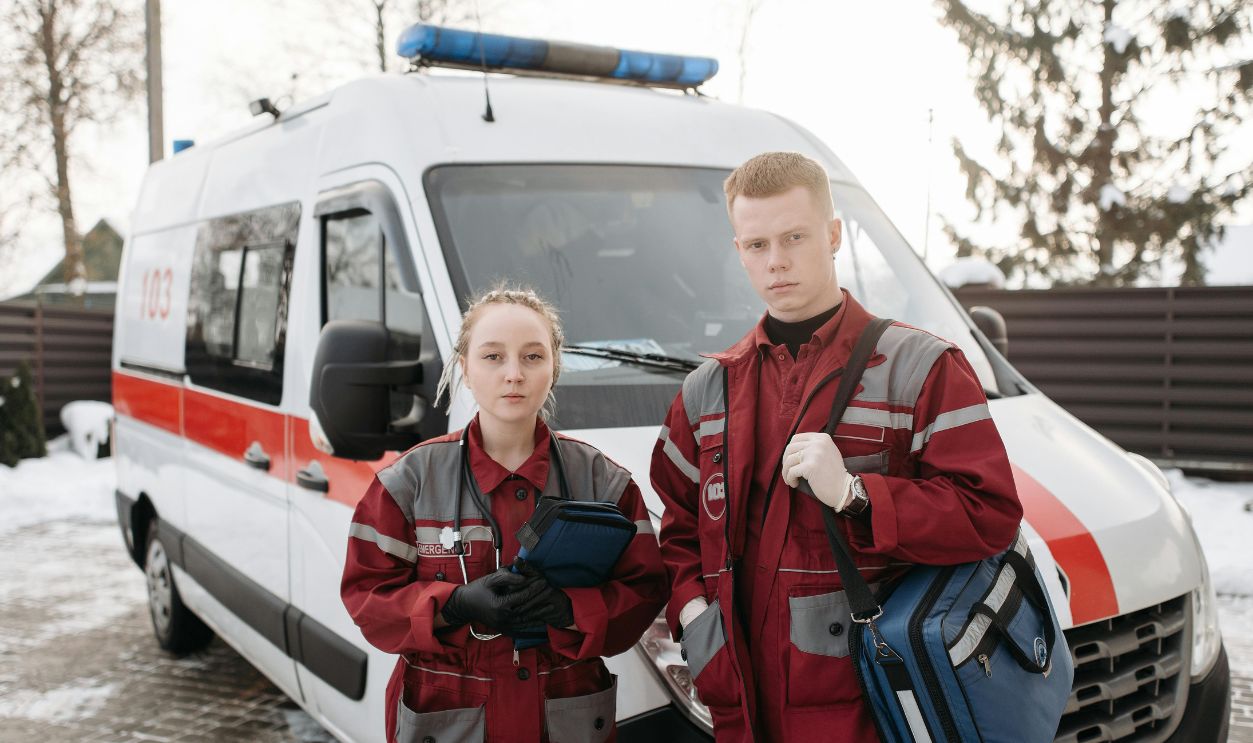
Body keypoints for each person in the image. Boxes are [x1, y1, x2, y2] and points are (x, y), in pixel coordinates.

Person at [651, 152, 1024, 742]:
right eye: (756, 245)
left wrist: (858, 497)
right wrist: (695, 619)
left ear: (832, 236)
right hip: (743, 708)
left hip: (868, 709)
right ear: (738, 250)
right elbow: (677, 529)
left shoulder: (923, 369)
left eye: (794, 237)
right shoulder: (707, 391)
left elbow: (991, 516)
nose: (775, 262)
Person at [342, 286, 668, 743]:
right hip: (448, 715)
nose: (513, 374)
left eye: (532, 357)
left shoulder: (605, 483)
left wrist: (571, 609)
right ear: (465, 369)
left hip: (566, 712)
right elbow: (367, 597)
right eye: (493, 357)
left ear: (554, 368)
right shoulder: (407, 483)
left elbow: (644, 593)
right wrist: (453, 605)